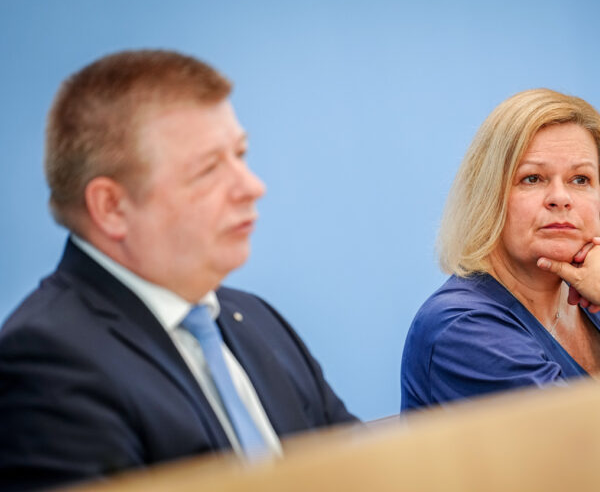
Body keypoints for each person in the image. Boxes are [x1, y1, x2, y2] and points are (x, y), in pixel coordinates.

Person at [0, 50, 357, 491]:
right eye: (208, 169)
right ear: (112, 208)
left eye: (241, 154)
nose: (251, 186)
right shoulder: (48, 361)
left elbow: (367, 469)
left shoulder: (258, 322)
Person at [401, 88, 600, 410]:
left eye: (580, 179)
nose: (560, 197)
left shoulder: (598, 297)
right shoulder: (461, 328)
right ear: (489, 197)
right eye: (533, 178)